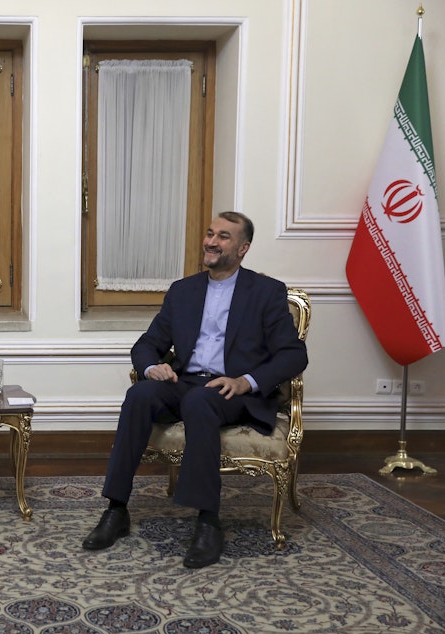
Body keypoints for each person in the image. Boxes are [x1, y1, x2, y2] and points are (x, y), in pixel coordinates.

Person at [81, 211, 308, 568]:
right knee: (139, 395)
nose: (211, 242)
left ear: (243, 248)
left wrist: (244, 381)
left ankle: (208, 521)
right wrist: (152, 367)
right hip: (184, 382)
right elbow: (147, 343)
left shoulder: (266, 292)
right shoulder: (183, 291)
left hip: (233, 392)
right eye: (209, 233)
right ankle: (116, 509)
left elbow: (294, 355)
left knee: (203, 399)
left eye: (223, 237)